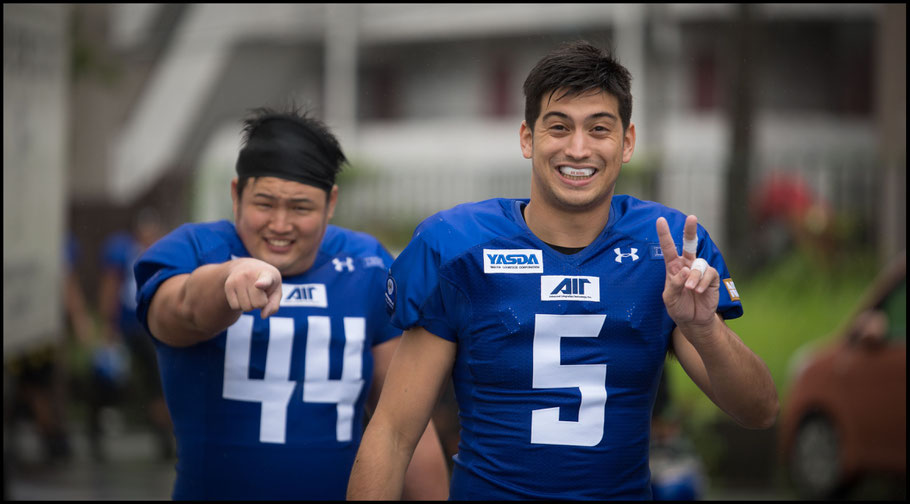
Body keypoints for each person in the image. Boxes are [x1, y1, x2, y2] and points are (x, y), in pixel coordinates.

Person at [347, 41, 779, 500]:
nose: (578, 148)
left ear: (626, 141)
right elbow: (393, 434)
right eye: (559, 127)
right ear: (527, 138)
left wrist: (704, 327)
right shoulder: (458, 249)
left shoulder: (667, 249)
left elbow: (759, 411)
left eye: (599, 128)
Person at [133, 106, 449, 500]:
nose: (280, 225)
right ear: (236, 194)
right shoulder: (195, 250)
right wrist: (227, 281)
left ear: (330, 203)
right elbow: (178, 311)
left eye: (300, 208)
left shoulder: (365, 263)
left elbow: (404, 421)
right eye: (264, 204)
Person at [93, 209, 174, 461]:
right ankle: (96, 429)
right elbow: (111, 285)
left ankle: (163, 437)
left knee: (157, 380)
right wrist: (108, 324)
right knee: (109, 380)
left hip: (150, 329)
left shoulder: (163, 252)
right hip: (127, 326)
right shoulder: (123, 250)